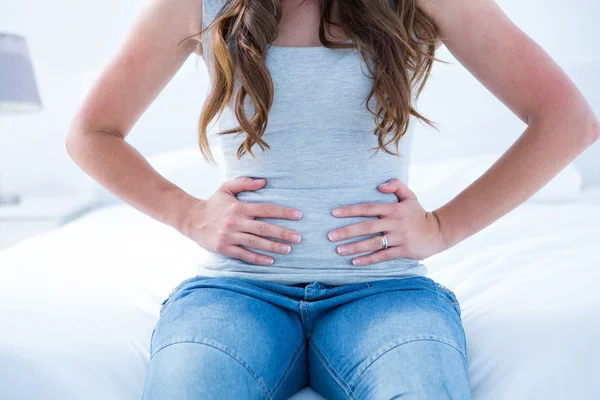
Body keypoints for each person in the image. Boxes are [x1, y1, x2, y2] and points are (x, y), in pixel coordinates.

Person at [65, 0, 599, 398]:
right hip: (238, 292)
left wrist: (442, 227)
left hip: (384, 292)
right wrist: (186, 213)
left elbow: (567, 120)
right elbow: (91, 133)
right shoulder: (200, 4)